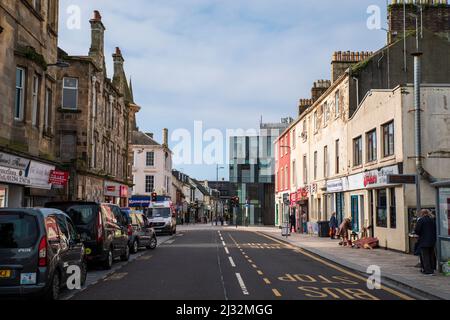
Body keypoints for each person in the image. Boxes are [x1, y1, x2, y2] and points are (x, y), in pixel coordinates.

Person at [414, 209, 437, 275]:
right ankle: (432, 269)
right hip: (432, 241)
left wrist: (417, 234)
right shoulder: (432, 220)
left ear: (422, 213)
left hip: (423, 241)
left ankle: (427, 270)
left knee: (425, 256)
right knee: (431, 255)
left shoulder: (421, 220)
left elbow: (417, 230)